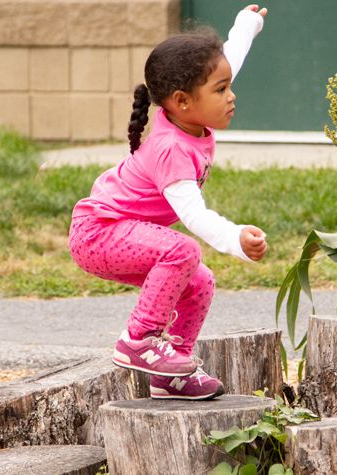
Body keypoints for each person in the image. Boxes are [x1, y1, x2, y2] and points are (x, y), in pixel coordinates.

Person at [68, 5, 269, 401]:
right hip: (98, 232)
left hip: (113, 232)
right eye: (221, 90)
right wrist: (234, 238)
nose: (232, 96)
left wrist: (247, 25)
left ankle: (171, 371)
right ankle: (139, 340)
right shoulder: (172, 149)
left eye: (227, 86)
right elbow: (192, 215)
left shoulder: (189, 114)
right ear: (182, 101)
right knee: (183, 250)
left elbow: (230, 60)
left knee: (199, 281)